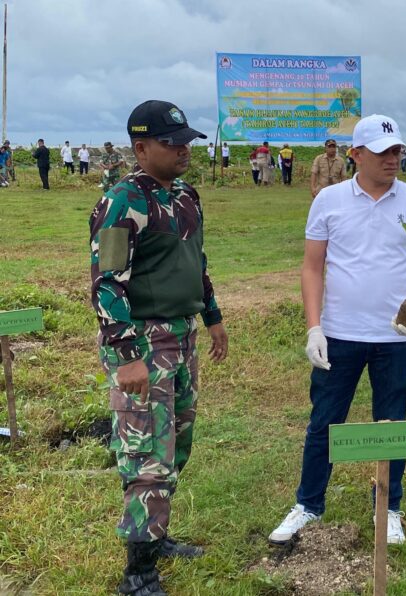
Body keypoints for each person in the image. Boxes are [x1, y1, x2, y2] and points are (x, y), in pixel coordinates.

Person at [268, 113, 406, 547]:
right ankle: (308, 504)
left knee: (393, 422)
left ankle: (387, 508)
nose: (392, 159)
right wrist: (314, 328)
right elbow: (313, 268)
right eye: (383, 152)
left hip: (397, 338)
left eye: (397, 151)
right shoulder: (328, 201)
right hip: (340, 335)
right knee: (325, 421)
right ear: (356, 154)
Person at [89, 99, 229, 595]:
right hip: (144, 342)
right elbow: (106, 283)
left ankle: (157, 534)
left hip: (182, 335)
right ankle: (138, 573)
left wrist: (211, 317)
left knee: (178, 443)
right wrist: (127, 356)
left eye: (185, 140)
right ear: (141, 146)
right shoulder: (122, 201)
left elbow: (197, 259)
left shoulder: (187, 194)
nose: (182, 150)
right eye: (171, 143)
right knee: (148, 451)